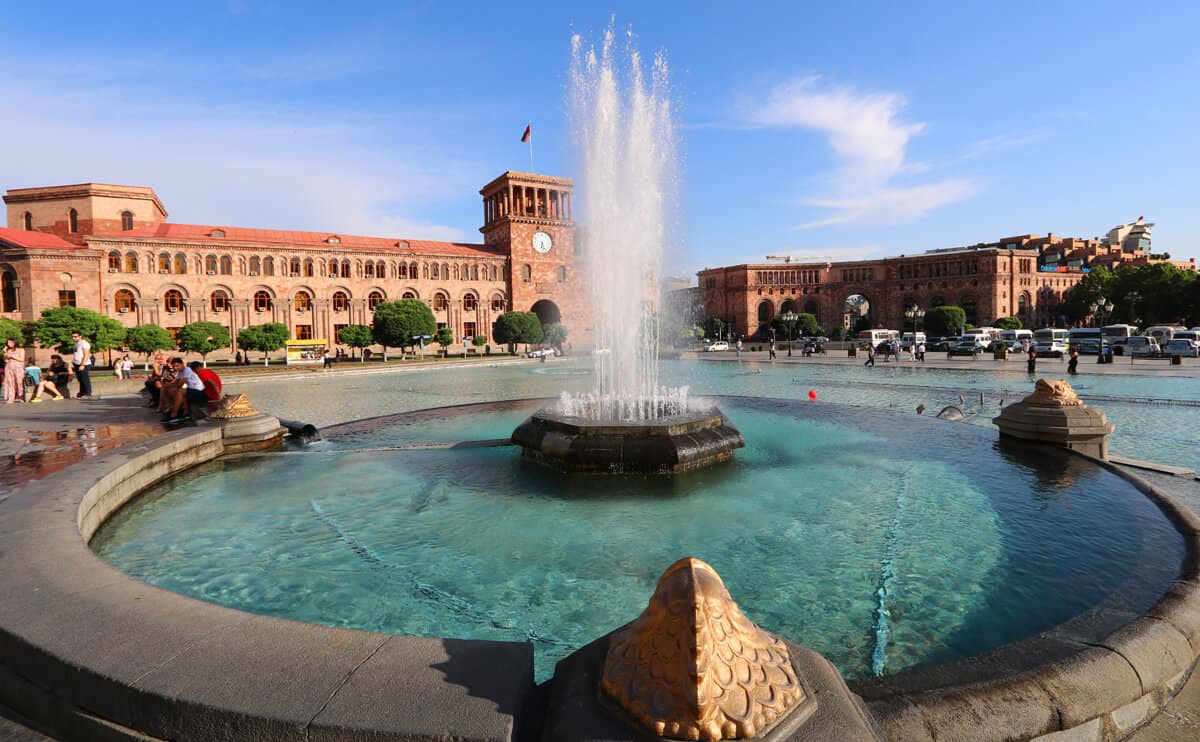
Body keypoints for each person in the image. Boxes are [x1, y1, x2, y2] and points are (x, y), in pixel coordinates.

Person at [163, 357, 207, 423]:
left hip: (199, 392)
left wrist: (167, 385)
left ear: (182, 364)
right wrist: (165, 385)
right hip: (191, 390)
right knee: (170, 390)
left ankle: (173, 415)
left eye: (177, 366)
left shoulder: (188, 370)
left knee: (180, 391)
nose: (175, 368)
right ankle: (184, 413)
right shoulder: (180, 372)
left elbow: (179, 384)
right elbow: (175, 382)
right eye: (174, 366)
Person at [70, 331, 92, 398]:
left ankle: (87, 394)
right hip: (76, 364)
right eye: (72, 336)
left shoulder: (84, 343)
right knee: (80, 380)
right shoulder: (76, 344)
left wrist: (82, 364)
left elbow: (87, 355)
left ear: (80, 336)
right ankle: (82, 393)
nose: (73, 338)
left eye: (75, 336)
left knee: (85, 379)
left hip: (83, 364)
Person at [3, 338, 25, 403]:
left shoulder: (21, 350)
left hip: (18, 367)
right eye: (8, 343)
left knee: (19, 382)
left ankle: (20, 396)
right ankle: (11, 397)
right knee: (10, 383)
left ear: (15, 342)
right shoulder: (8, 351)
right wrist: (5, 352)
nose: (9, 344)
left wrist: (12, 356)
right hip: (9, 367)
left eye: (10, 342)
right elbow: (5, 360)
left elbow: (22, 359)